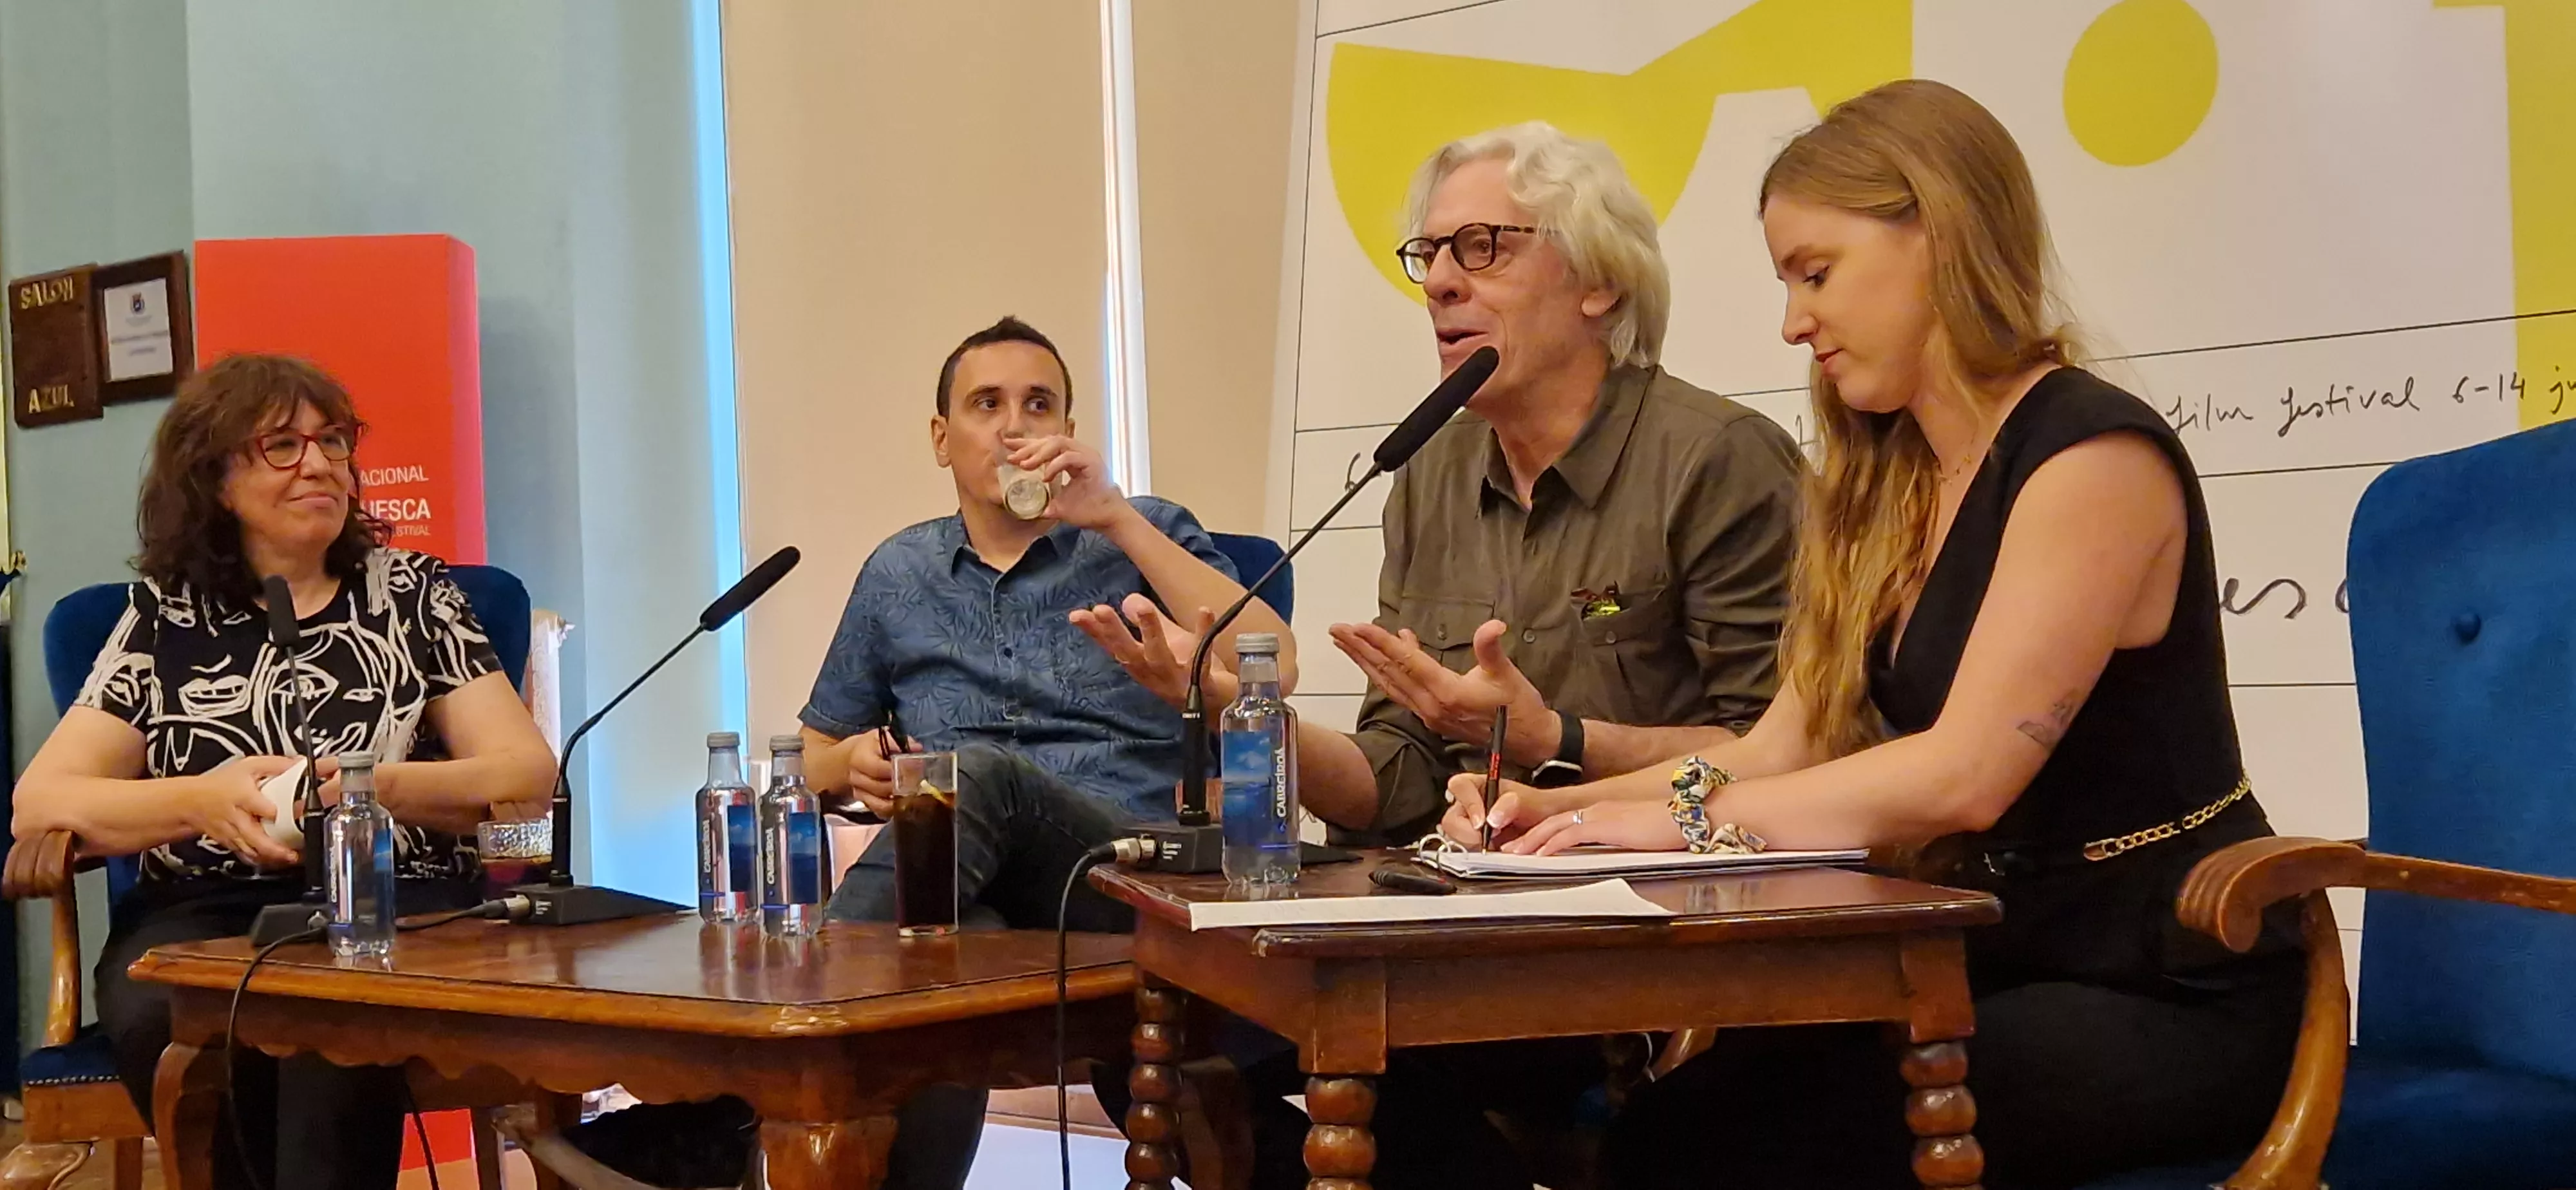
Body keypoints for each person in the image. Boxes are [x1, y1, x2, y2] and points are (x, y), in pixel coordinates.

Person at [1444, 80, 2304, 1189]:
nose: (1793, 322)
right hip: (1995, 953)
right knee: (1670, 1130)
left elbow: (1964, 777)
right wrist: (1557, 817)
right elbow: (1782, 747)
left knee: (1747, 1147)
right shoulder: (1890, 478)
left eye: (1816, 274)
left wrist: (1668, 828)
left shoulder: (2092, 457)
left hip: (2166, 982)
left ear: (1938, 237)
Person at [1076, 123, 1803, 1190]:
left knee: (1377, 1082)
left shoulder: (1716, 460)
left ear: (1599, 281)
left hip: (1636, 935)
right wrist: (1249, 717)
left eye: (1484, 248)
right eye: (1431, 255)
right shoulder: (1430, 472)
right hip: (1443, 919)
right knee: (1144, 1038)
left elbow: (1781, 748)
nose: (1443, 284)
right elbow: (1397, 776)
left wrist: (1554, 740)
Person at [568, 314, 1293, 1190]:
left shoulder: (1144, 530)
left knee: (971, 778)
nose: (1016, 427)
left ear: (1069, 428)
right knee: (932, 957)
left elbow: (1276, 664)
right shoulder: (899, 573)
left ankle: (730, 1101)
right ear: (942, 439)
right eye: (988, 405)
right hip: (969, 884)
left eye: (1039, 405)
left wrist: (1117, 519)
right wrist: (851, 765)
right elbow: (815, 753)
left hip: (1124, 871)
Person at [11, 354, 558, 1190]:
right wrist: (203, 800)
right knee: (192, 1016)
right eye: (281, 445)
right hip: (201, 917)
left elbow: (526, 774)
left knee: (331, 1017)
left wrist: (374, 789)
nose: (319, 463)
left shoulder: (413, 595)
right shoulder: (165, 616)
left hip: (392, 904)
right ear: (216, 480)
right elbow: (40, 803)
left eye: (333, 441)